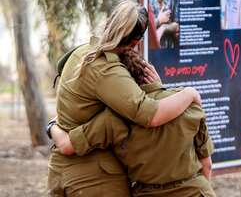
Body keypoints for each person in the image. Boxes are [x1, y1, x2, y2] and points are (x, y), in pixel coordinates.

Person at [48, 0, 202, 197]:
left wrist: (53, 126)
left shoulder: (82, 53)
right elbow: (150, 114)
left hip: (62, 170)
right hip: (93, 178)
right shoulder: (108, 74)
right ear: (136, 42)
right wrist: (189, 92)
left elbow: (68, 131)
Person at [49, 54, 215, 196]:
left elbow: (66, 145)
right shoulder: (187, 104)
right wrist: (159, 89)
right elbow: (206, 164)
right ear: (150, 71)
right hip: (197, 191)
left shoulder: (114, 118)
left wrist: (52, 126)